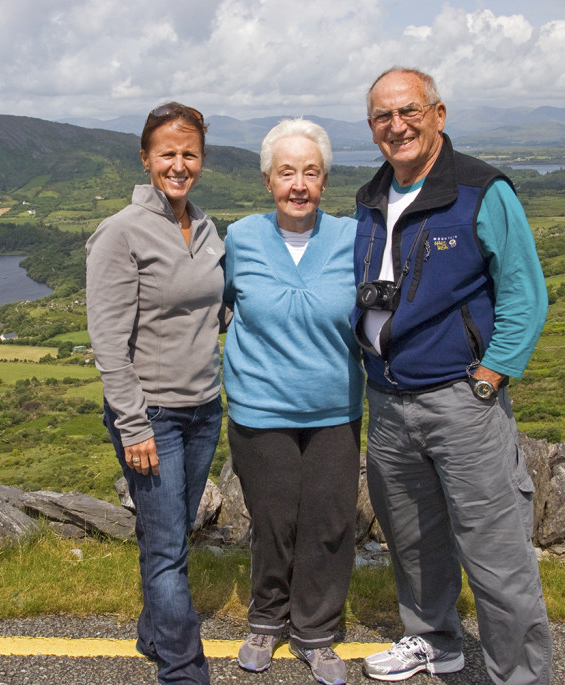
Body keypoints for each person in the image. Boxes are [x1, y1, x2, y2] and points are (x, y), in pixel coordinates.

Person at [351, 68, 552, 684]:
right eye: (383, 117)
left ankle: (518, 675)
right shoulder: (371, 196)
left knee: (497, 556)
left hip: (462, 399)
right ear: (372, 128)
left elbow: (525, 292)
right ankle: (434, 642)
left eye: (409, 111)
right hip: (388, 400)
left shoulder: (480, 190)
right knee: (412, 543)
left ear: (438, 114)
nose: (397, 125)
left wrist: (490, 377)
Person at [85, 102, 224, 685]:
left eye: (189, 153)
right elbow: (108, 344)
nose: (178, 163)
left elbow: (219, 312)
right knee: (168, 546)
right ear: (145, 159)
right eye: (167, 152)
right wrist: (134, 424)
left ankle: (153, 630)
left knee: (168, 530)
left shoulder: (209, 226)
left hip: (205, 408)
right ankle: (182, 667)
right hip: (154, 415)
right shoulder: (121, 232)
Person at [223, 118, 364, 685]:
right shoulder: (239, 238)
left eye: (310, 172)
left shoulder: (355, 238)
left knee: (330, 524)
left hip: (335, 410)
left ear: (325, 180)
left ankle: (317, 632)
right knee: (273, 521)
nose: (298, 184)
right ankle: (266, 618)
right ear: (267, 180)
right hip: (260, 410)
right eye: (287, 172)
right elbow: (216, 304)